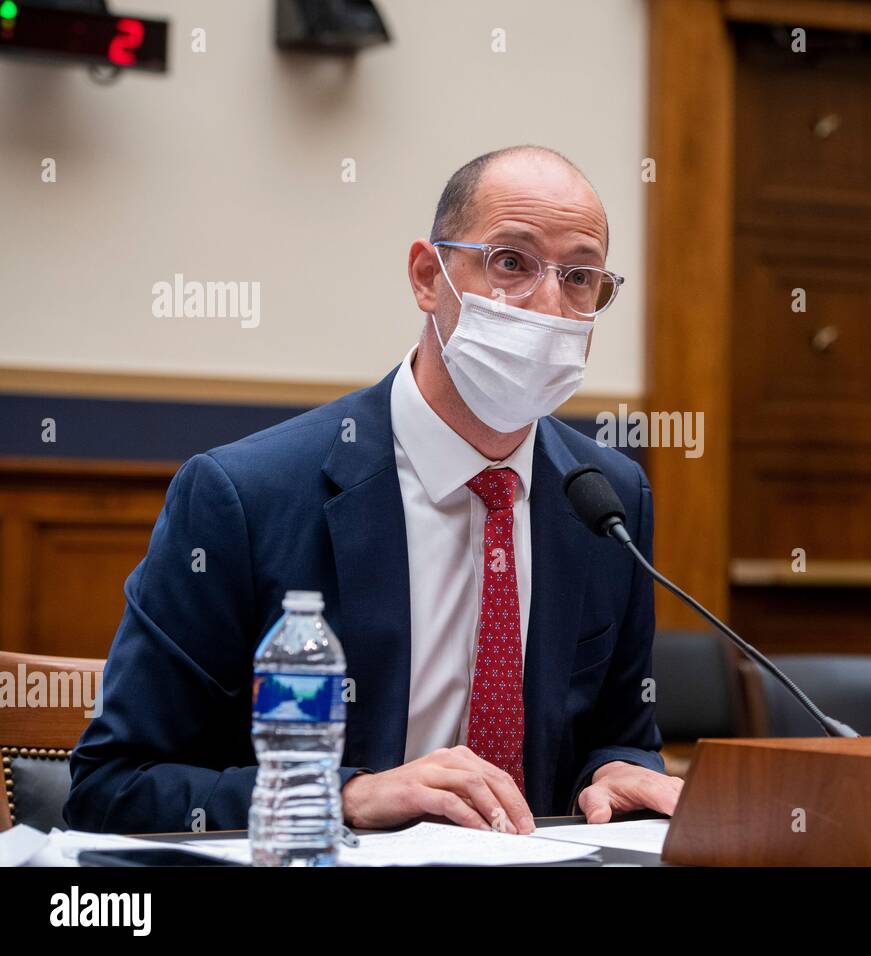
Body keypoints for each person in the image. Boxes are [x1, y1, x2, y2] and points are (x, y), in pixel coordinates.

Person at [65, 145, 682, 835]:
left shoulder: (607, 497)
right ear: (428, 275)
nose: (547, 304)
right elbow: (113, 787)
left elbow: (619, 735)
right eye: (512, 262)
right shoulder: (244, 495)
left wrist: (618, 772)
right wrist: (345, 797)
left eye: (578, 276)